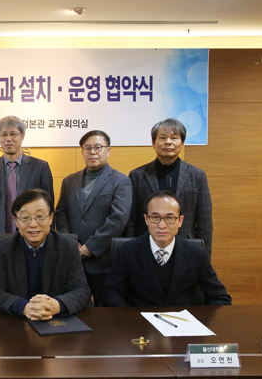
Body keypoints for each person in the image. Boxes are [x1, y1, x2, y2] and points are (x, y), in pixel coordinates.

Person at [102, 191, 231, 307]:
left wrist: (202, 320)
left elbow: (220, 297)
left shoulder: (196, 253)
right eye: (155, 217)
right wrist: (130, 319)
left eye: (169, 218)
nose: (162, 225)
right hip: (140, 322)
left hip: (182, 323)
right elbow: (111, 292)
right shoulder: (126, 251)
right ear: (146, 219)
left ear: (180, 221)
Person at [0, 189, 91, 320]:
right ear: (16, 221)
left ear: (51, 218)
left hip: (57, 320)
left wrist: (56, 305)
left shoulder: (68, 247)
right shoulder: (2, 248)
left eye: (40, 217)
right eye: (25, 218)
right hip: (16, 320)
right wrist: (24, 307)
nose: (33, 224)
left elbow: (81, 290)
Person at [55, 130, 132, 306]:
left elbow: (118, 219)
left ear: (108, 150)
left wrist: (90, 247)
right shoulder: (69, 181)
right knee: (74, 306)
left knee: (104, 311)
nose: (92, 152)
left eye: (98, 147)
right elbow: (61, 213)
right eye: (87, 148)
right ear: (82, 152)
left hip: (103, 261)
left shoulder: (121, 181)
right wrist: (70, 242)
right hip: (73, 259)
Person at [125, 118, 213, 255]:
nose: (168, 142)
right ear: (153, 143)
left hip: (186, 247)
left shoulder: (197, 176)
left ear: (182, 143)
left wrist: (204, 257)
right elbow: (131, 220)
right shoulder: (137, 175)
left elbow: (205, 222)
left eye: (174, 138)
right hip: (145, 247)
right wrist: (130, 252)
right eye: (162, 137)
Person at [0, 116, 54, 265]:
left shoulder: (40, 167)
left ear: (22, 136)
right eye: (4, 134)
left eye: (13, 134)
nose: (8, 139)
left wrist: (50, 243)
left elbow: (49, 209)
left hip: (33, 238)